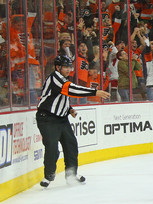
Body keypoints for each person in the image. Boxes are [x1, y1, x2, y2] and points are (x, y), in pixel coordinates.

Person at [36, 55, 110, 187]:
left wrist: (69, 108)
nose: (68, 70)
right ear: (58, 67)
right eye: (65, 67)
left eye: (70, 67)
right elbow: (71, 90)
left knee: (71, 144)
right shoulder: (55, 78)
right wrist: (94, 92)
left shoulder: (63, 79)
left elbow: (58, 97)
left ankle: (71, 175)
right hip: (47, 118)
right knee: (52, 147)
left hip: (61, 118)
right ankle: (48, 176)